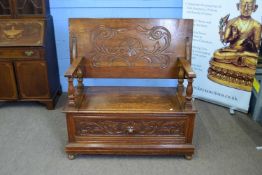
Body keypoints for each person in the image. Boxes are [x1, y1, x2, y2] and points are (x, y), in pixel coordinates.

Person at [208, 0, 262, 91]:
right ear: (238, 6)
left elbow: (256, 47)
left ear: (254, 8)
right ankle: (239, 59)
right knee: (217, 54)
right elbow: (225, 40)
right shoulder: (232, 22)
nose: (245, 9)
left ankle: (241, 60)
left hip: (247, 52)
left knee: (254, 60)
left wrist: (250, 43)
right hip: (233, 51)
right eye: (243, 5)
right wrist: (233, 36)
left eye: (249, 6)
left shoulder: (257, 25)